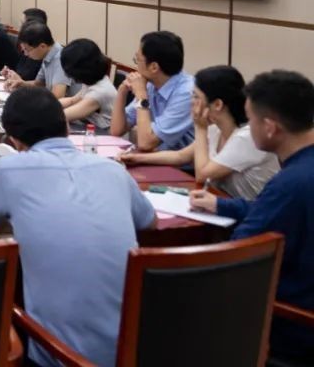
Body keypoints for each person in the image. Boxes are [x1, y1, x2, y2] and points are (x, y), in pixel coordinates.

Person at [0, 87, 156, 367]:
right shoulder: (112, 170)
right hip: (133, 350)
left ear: (14, 140)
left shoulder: (8, 169)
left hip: (59, 356)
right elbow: (150, 223)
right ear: (67, 127)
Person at [188, 70, 314, 364]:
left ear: (269, 127)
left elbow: (237, 254)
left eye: (250, 119)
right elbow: (277, 212)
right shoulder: (300, 174)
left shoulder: (290, 184)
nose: (248, 127)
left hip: (288, 325)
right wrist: (222, 206)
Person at [121, 66, 278, 200]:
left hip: (246, 214)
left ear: (217, 104)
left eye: (196, 96)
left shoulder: (247, 137)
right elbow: (181, 156)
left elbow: (203, 175)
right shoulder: (216, 128)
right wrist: (136, 158)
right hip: (217, 202)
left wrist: (200, 128)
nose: (191, 101)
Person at [111, 31, 195, 151]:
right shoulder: (152, 83)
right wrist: (122, 90)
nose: (136, 66)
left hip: (185, 162)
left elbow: (145, 143)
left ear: (154, 67)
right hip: (158, 157)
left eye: (137, 60)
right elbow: (116, 130)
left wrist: (141, 95)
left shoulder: (187, 93)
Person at [57, 39, 116, 132]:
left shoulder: (100, 92)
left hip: (104, 134)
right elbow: (72, 100)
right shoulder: (94, 81)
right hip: (90, 129)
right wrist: (46, 105)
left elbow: (65, 115)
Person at [2, 21, 73, 98]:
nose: (26, 54)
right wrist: (21, 84)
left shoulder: (61, 59)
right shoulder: (47, 55)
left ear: (42, 46)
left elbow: (57, 96)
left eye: (27, 50)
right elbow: (38, 84)